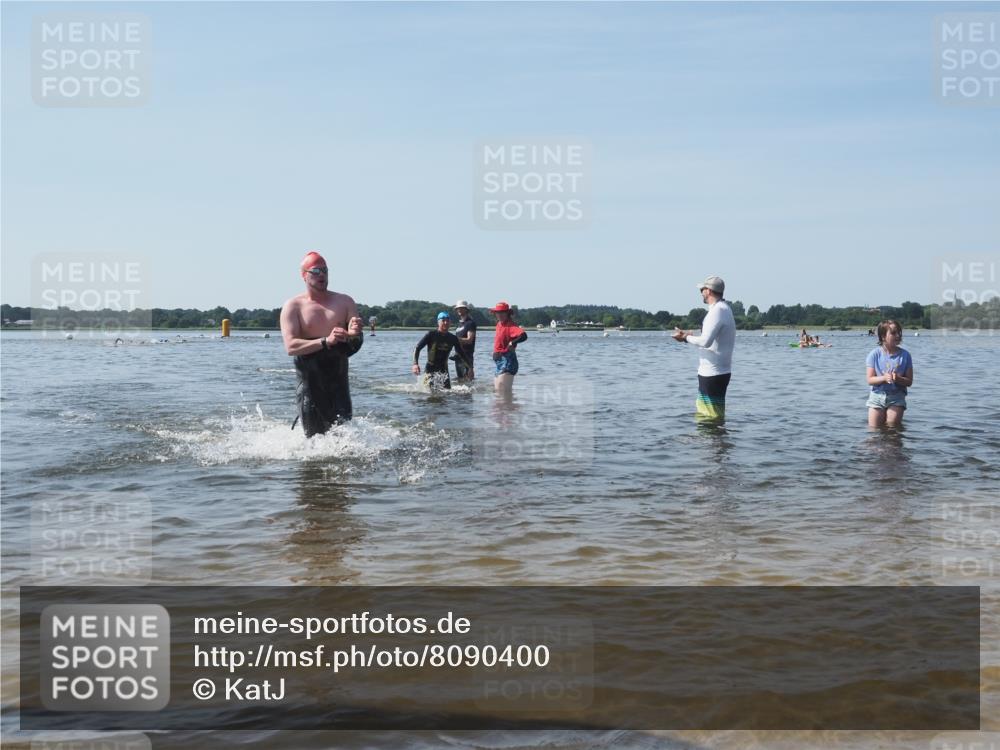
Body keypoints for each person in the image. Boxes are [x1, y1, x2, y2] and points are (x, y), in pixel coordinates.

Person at [280, 251, 364, 436]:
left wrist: (355, 334)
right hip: (310, 386)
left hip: (339, 384)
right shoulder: (293, 306)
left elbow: (354, 344)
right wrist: (326, 341)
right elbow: (291, 347)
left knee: (345, 439)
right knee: (314, 443)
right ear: (304, 275)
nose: (322, 275)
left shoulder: (345, 302)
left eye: (325, 270)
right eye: (316, 271)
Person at [672, 276, 736, 421]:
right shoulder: (723, 309)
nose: (701, 292)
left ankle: (712, 442)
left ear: (709, 291)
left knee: (709, 417)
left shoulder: (717, 311)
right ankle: (717, 441)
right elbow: (708, 338)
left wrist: (685, 338)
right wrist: (688, 335)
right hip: (718, 372)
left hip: (712, 373)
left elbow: (706, 341)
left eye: (702, 289)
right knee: (714, 415)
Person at [865, 319, 913, 428]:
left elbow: (909, 382)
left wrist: (898, 379)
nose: (897, 335)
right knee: (874, 431)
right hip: (876, 397)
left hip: (897, 397)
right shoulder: (874, 354)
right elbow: (870, 380)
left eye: (899, 333)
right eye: (893, 333)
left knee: (892, 431)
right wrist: (883, 378)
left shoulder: (905, 355)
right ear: (882, 336)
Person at [411, 312, 473, 389]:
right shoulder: (431, 335)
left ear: (450, 322)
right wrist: (415, 364)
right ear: (438, 322)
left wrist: (470, 368)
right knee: (428, 392)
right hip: (430, 368)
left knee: (447, 393)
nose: (446, 322)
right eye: (443, 320)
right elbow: (417, 348)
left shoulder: (453, 338)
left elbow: (461, 354)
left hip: (444, 370)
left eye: (447, 320)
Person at [490, 301, 527, 395]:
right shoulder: (499, 324)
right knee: (498, 394)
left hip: (507, 361)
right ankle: (508, 409)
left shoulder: (511, 325)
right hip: (499, 362)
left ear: (507, 313)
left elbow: (523, 335)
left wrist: (512, 342)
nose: (499, 315)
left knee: (502, 393)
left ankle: (509, 409)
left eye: (502, 312)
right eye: (497, 312)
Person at [452, 300, 477, 382]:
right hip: (458, 356)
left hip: (467, 356)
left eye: (462, 308)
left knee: (467, 381)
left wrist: (454, 339)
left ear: (466, 309)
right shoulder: (459, 324)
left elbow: (469, 340)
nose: (459, 310)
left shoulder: (470, 323)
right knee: (460, 380)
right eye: (458, 308)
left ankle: (469, 394)